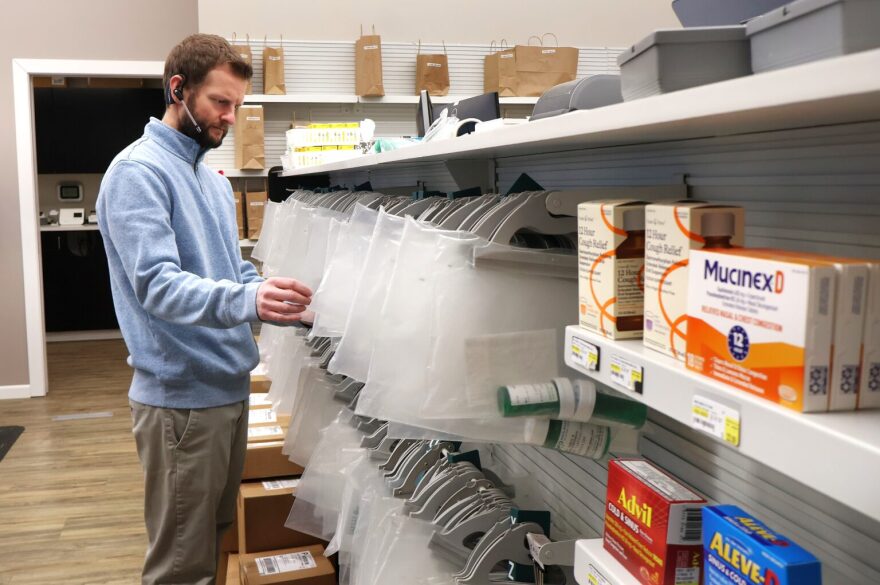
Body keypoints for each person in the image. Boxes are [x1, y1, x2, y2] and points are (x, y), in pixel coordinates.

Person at [96, 34, 311, 585]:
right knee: (180, 565)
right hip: (181, 403)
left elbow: (230, 271)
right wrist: (247, 299)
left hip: (227, 390)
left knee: (213, 538)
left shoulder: (210, 179)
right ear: (178, 89)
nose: (231, 118)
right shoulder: (137, 173)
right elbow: (158, 286)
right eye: (220, 102)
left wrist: (269, 294)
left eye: (237, 105)